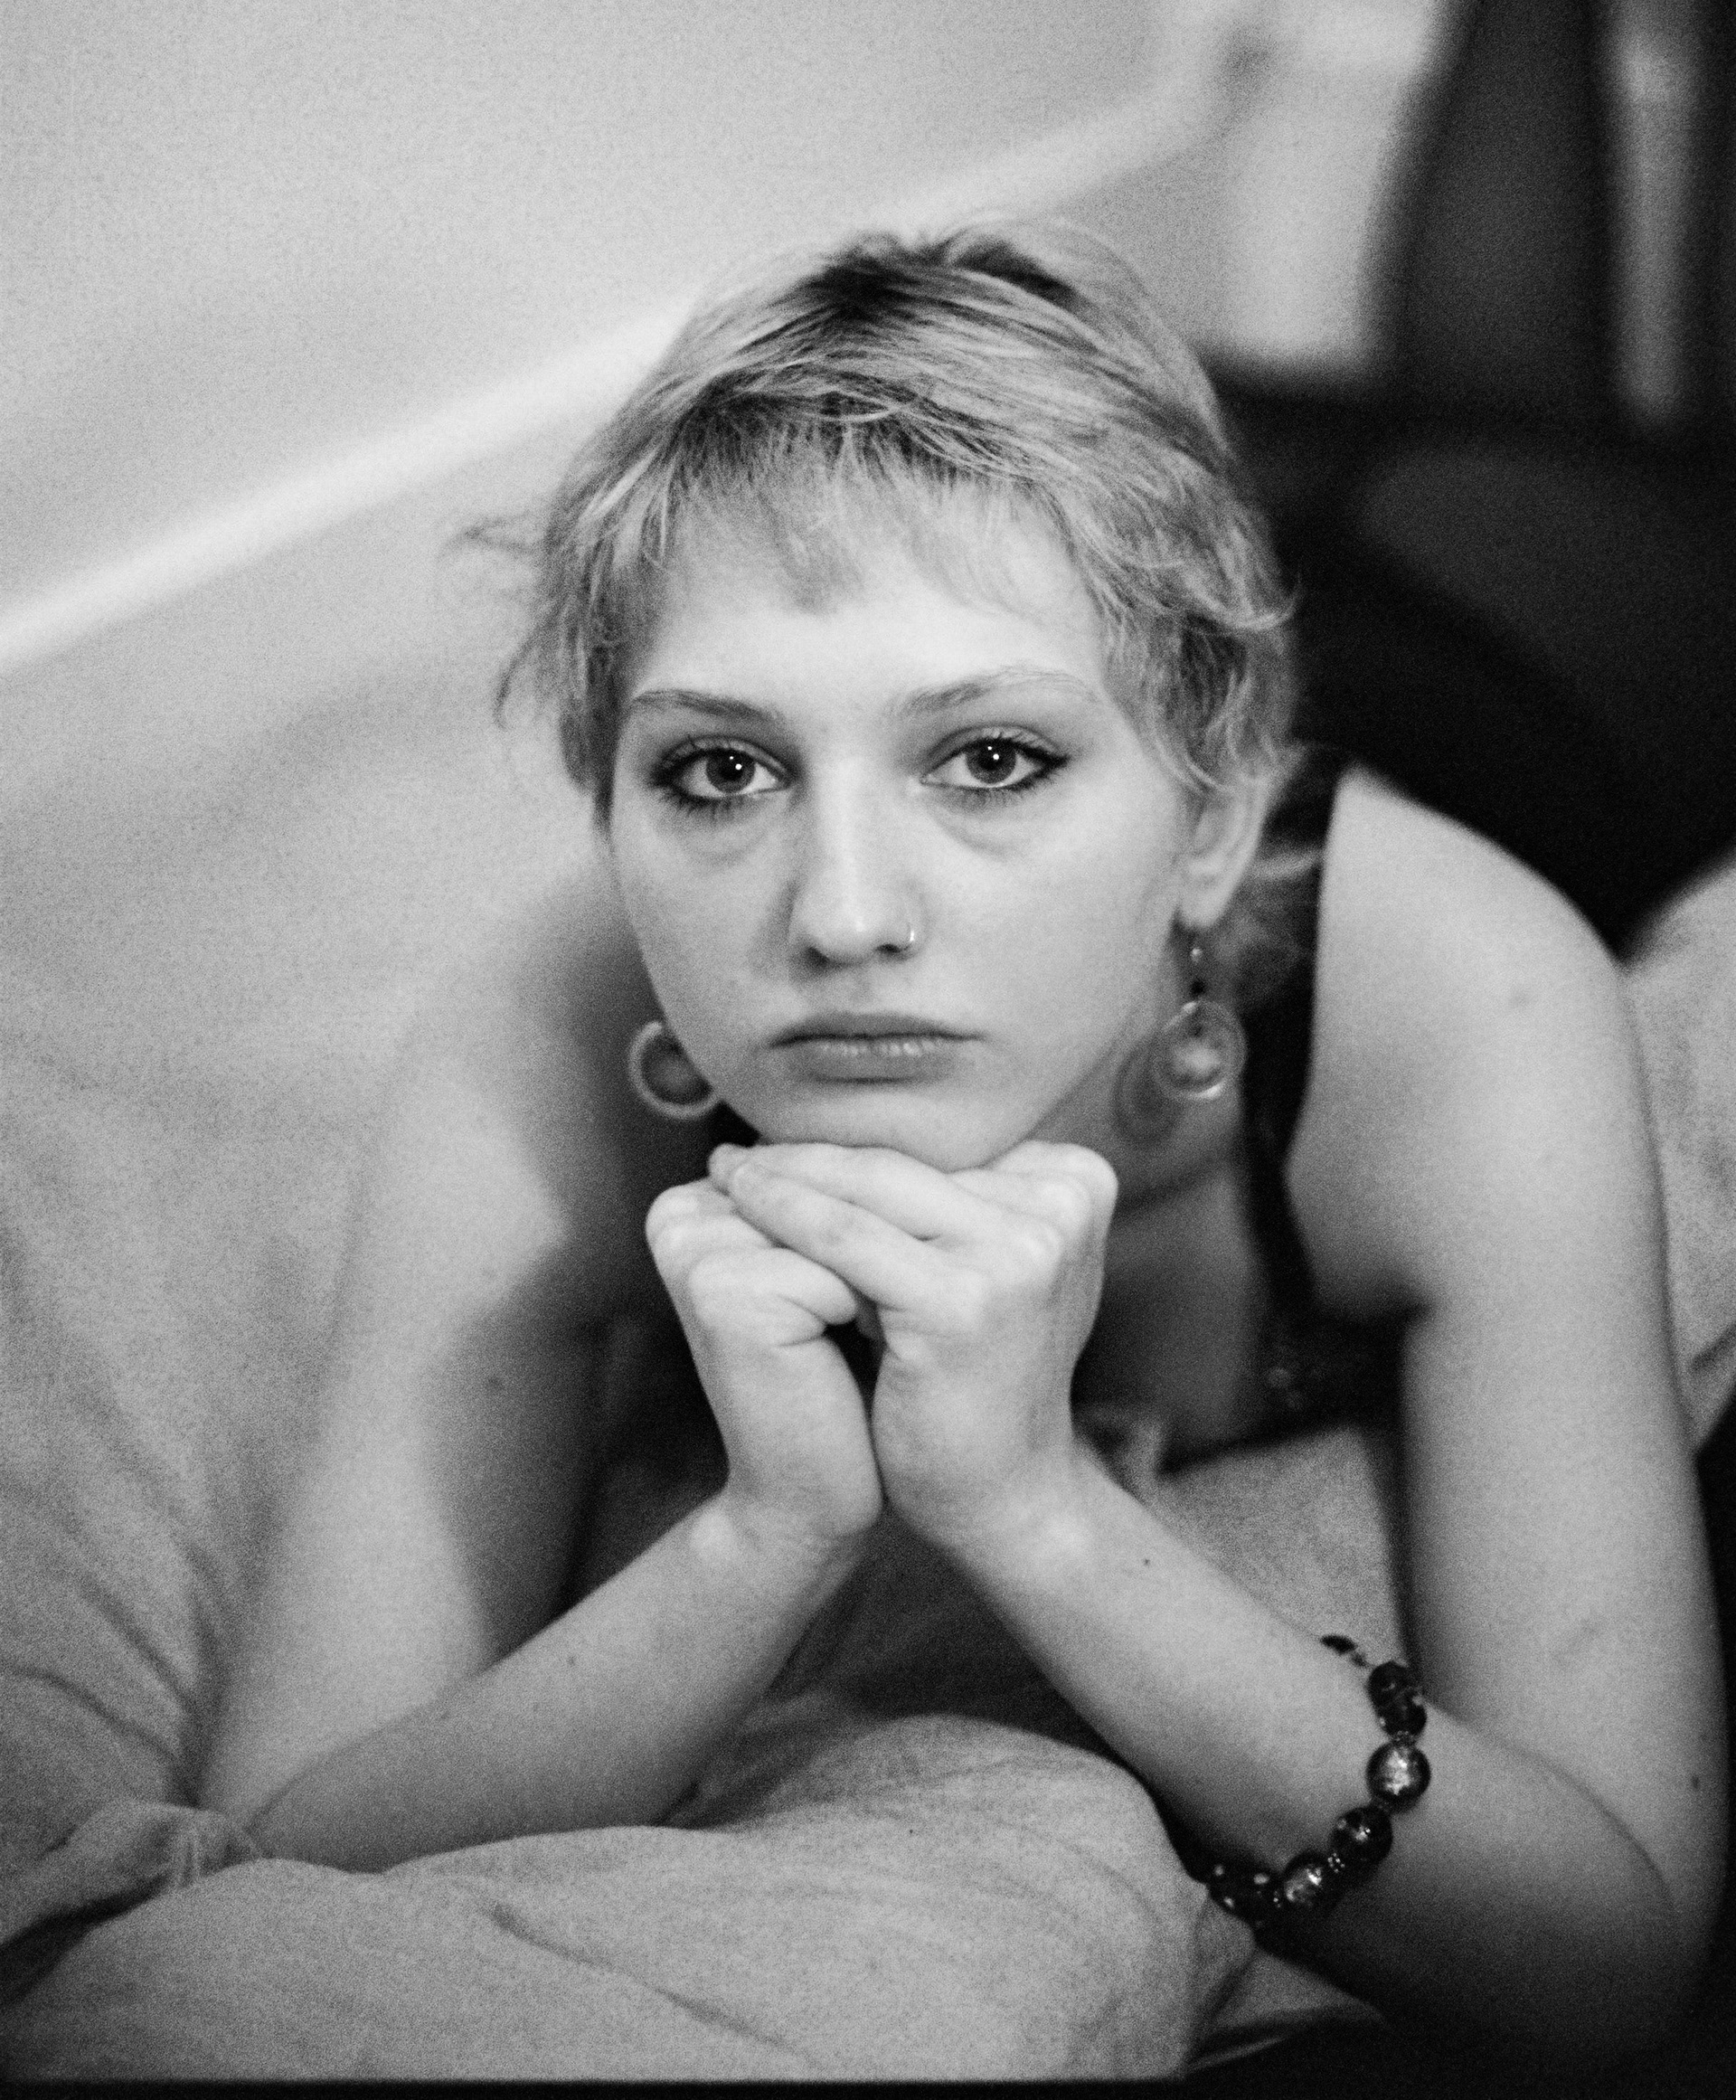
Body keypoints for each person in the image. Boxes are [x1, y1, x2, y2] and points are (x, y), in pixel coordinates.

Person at [199, 222, 1724, 2059]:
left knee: (1583, 442)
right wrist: (762, 1537)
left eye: (990, 759)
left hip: (1525, 669)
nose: (843, 914)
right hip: (1164, 611)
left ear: (1217, 820)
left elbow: (1612, 1955)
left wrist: (1036, 1513)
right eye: (722, 768)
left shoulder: (1470, 1004)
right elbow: (271, 1855)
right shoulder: (541, 1036)